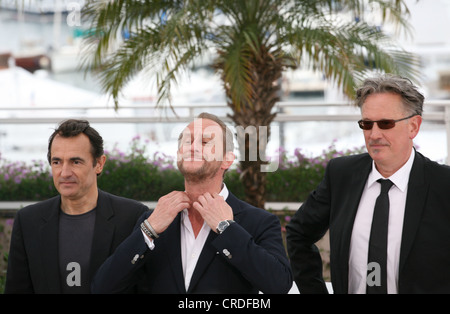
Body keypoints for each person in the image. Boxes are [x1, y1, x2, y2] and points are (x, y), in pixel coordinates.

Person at [91, 112, 293, 294]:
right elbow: (103, 287)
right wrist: (148, 231)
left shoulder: (259, 222)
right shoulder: (152, 220)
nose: (193, 147)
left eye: (205, 142)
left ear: (227, 160)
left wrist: (227, 229)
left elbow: (279, 284)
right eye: (187, 142)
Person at [286, 74, 450, 294]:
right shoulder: (341, 174)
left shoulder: (443, 184)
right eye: (366, 124)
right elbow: (298, 233)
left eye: (385, 124)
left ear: (413, 126)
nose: (374, 134)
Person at [5, 119, 149, 293]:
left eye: (75, 162)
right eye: (57, 162)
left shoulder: (132, 217)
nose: (64, 172)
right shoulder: (28, 221)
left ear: (99, 164)